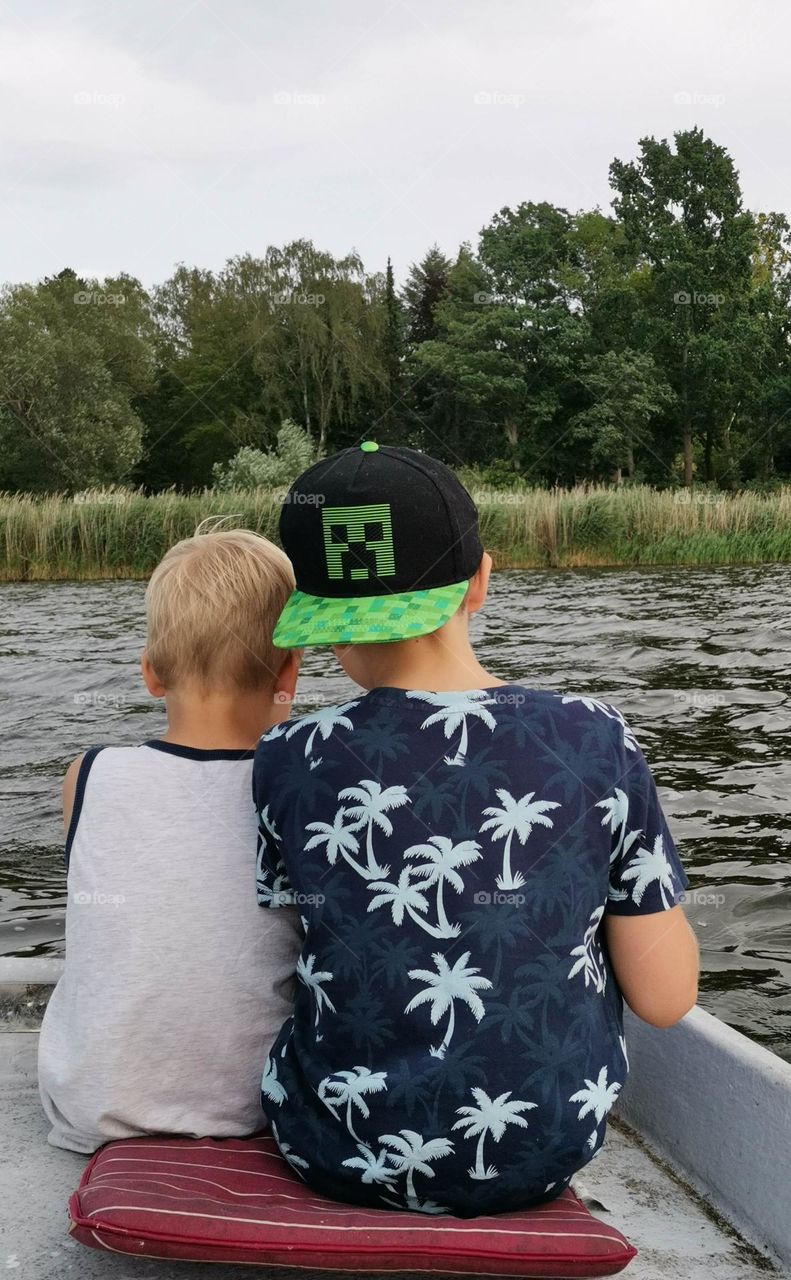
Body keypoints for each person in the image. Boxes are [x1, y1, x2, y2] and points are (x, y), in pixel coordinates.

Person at [253, 442, 699, 1217]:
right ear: (480, 581)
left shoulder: (288, 754)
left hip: (329, 1151)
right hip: (542, 1150)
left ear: (321, 616)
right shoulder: (595, 735)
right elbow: (665, 998)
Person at [38, 529, 302, 1153]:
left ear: (151, 674)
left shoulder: (89, 774)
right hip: (252, 1106)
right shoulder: (299, 790)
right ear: (288, 673)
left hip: (92, 1105)